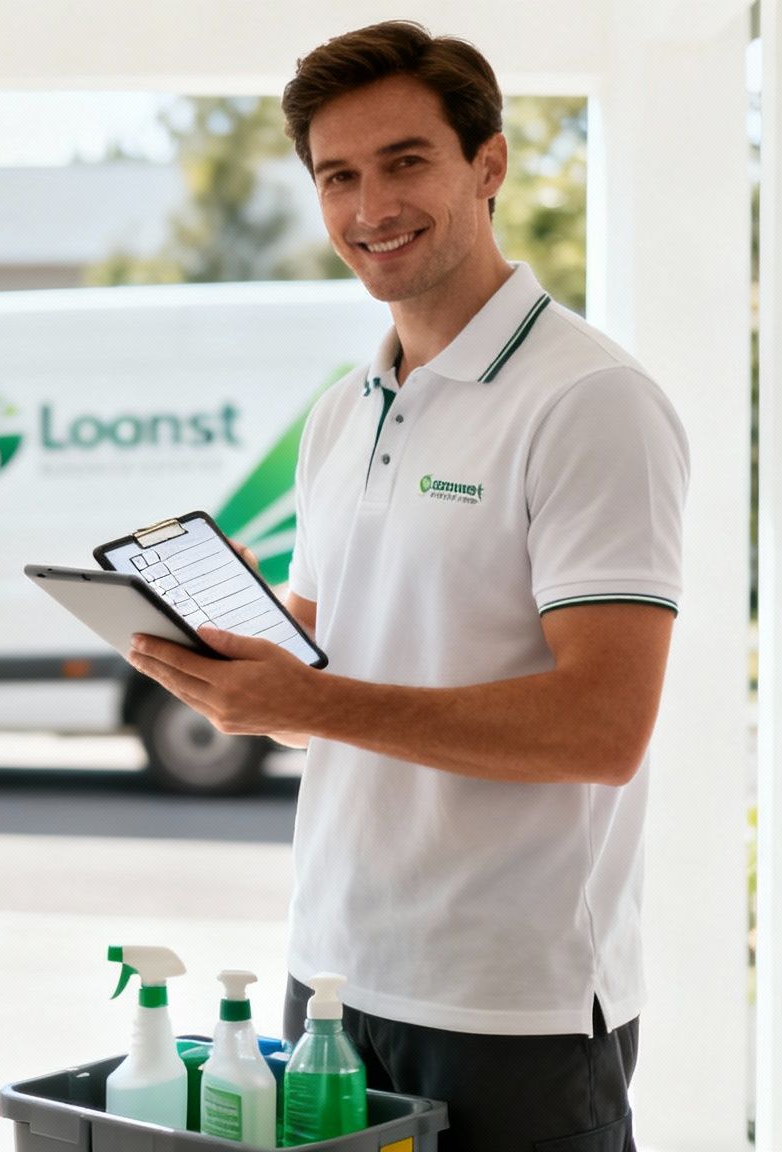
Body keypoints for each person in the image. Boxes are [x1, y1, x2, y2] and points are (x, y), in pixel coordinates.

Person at [124, 21, 689, 1152]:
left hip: (508, 999)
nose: (369, 204)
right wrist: (231, 640)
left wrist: (303, 703)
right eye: (337, 175)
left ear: (486, 165)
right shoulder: (345, 407)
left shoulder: (587, 403)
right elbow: (337, 644)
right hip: (333, 975)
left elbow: (601, 725)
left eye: (405, 161)